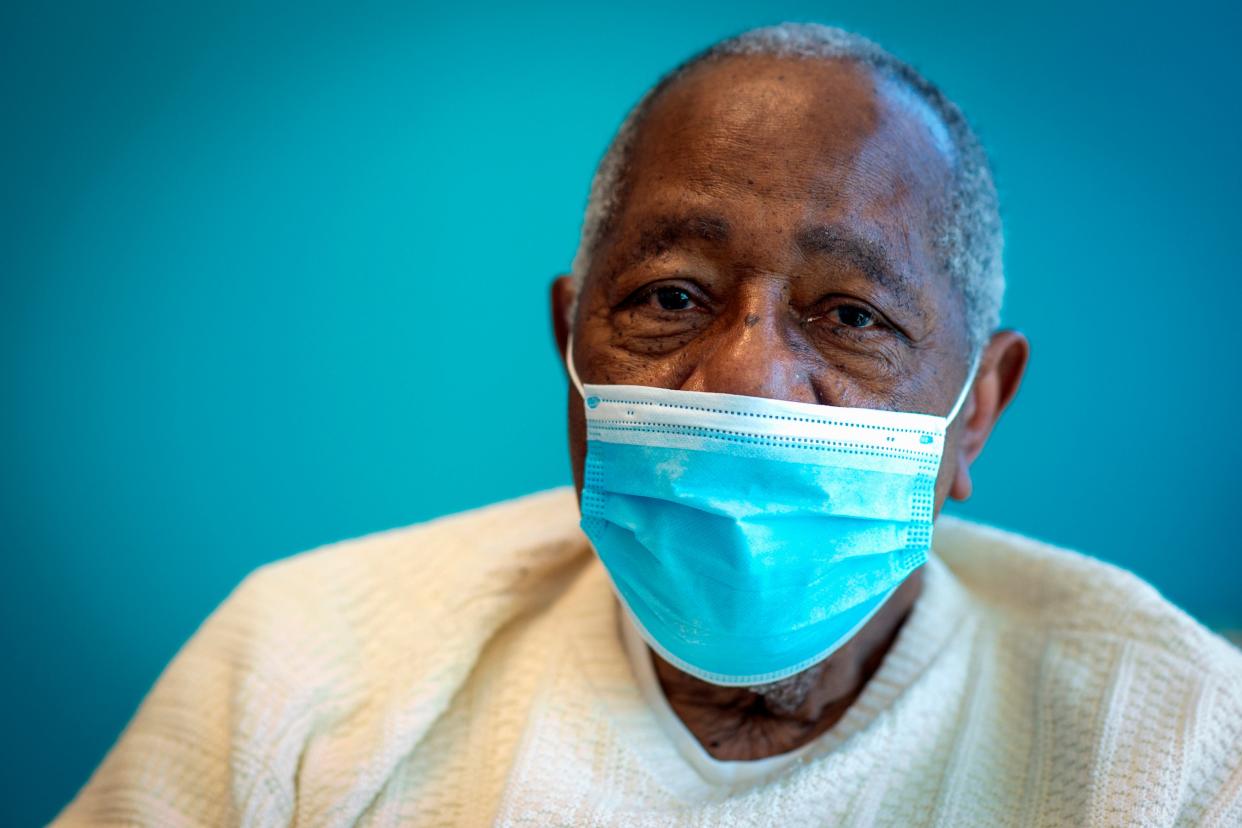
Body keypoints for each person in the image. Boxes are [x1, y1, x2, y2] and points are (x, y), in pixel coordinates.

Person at [54, 22, 1242, 827]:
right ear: (571, 347)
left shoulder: (1171, 745)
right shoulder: (301, 670)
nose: (744, 377)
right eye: (671, 298)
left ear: (975, 410)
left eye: (848, 314)